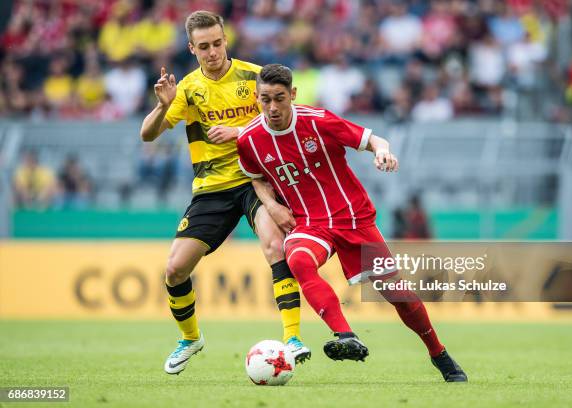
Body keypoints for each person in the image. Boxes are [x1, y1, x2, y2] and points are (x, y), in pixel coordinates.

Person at [237, 64, 467, 382]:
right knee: (300, 261)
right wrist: (272, 206)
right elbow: (257, 178)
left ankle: (438, 353)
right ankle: (346, 336)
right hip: (309, 222)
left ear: (292, 94)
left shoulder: (319, 121)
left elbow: (375, 140)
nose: (273, 107)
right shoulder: (249, 139)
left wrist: (383, 153)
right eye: (265, 100)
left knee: (397, 293)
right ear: (256, 97)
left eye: (279, 98)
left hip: (352, 217)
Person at [139, 11, 310, 375]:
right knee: (174, 269)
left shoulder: (254, 77)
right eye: (204, 47)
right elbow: (147, 135)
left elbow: (286, 117)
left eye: (217, 43)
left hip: (256, 180)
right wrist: (163, 105)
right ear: (192, 48)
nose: (213, 52)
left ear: (225, 40)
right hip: (211, 189)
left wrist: (239, 131)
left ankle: (292, 338)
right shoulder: (186, 89)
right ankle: (191, 338)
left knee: (275, 245)